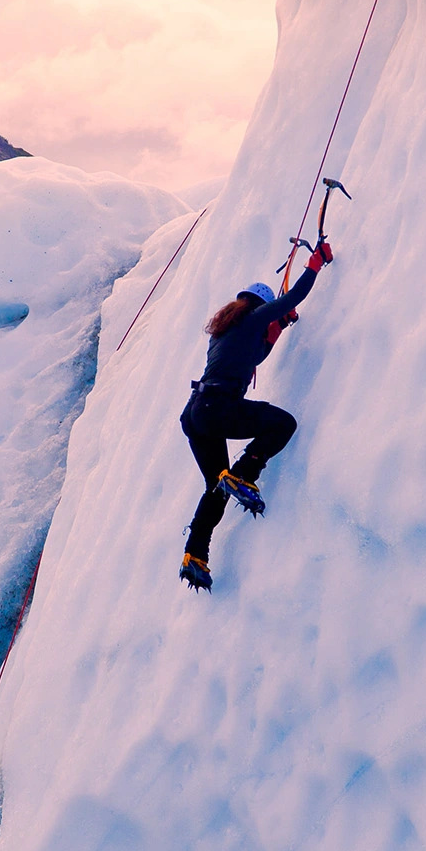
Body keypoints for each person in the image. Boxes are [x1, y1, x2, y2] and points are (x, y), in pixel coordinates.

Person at [178, 239, 334, 590]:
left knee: (214, 487)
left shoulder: (223, 331)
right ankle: (244, 474)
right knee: (283, 424)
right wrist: (315, 264)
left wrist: (279, 327)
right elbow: (292, 298)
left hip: (195, 414)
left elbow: (257, 354)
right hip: (218, 408)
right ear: (260, 305)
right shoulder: (254, 316)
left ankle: (195, 554)